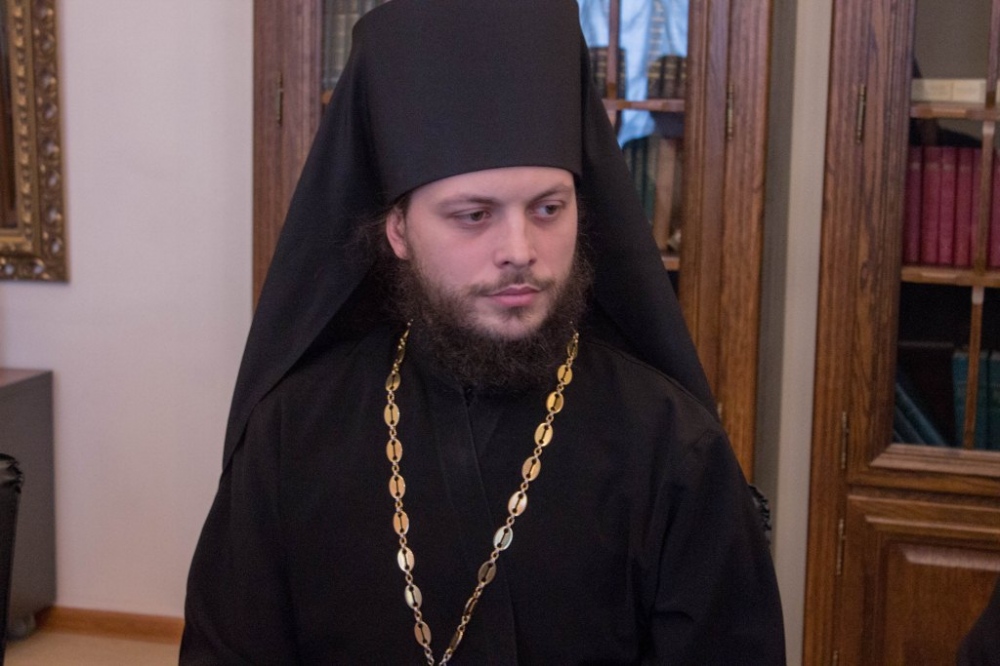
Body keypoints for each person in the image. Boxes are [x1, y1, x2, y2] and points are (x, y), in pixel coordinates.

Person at [181, 0, 786, 663]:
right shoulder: (291, 434)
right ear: (398, 232)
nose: (520, 250)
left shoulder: (673, 447)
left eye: (548, 209)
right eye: (474, 216)